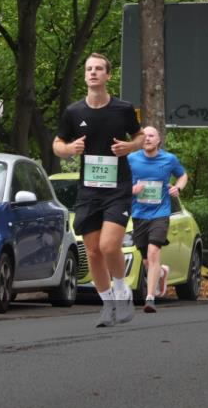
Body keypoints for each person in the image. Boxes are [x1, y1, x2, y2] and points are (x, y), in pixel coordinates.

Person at [53, 53, 144, 327]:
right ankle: (107, 304)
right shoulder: (74, 112)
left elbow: (140, 136)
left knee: (108, 245)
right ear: (85, 75)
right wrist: (69, 149)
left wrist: (130, 147)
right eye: (89, 69)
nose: (93, 72)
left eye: (98, 69)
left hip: (118, 187)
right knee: (92, 251)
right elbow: (57, 143)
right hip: (89, 190)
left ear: (107, 75)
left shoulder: (123, 109)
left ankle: (121, 290)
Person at [127, 126, 188, 313]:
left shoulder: (169, 159)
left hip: (160, 214)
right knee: (147, 261)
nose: (147, 139)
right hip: (138, 214)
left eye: (151, 135)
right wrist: (132, 190)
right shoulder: (131, 159)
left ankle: (150, 298)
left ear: (158, 139)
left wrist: (178, 187)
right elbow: (120, 183)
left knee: (154, 253)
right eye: (144, 136)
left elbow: (183, 175)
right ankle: (161, 272)